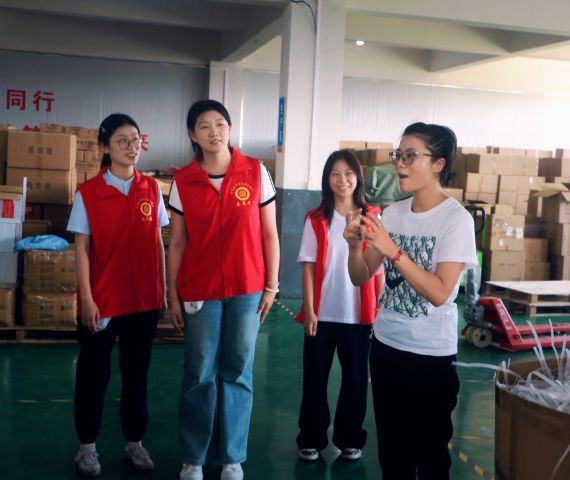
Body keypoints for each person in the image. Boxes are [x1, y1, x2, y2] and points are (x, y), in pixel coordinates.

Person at [344, 123, 477, 479]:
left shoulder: (456, 220)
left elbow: (440, 292)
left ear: (438, 164)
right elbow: (360, 275)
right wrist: (354, 246)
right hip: (386, 347)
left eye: (410, 156)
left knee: (431, 457)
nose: (399, 163)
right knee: (393, 456)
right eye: (398, 155)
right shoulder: (393, 213)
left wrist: (393, 250)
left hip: (430, 356)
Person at [167, 99, 280, 480]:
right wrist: (172, 295)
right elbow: (177, 242)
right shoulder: (183, 181)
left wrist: (271, 286)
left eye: (220, 124)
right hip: (199, 289)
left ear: (230, 129)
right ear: (192, 134)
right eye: (204, 126)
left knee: (238, 370)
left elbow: (269, 233)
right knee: (199, 371)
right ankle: (193, 458)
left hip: (247, 288)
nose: (214, 132)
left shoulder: (255, 171)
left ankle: (232, 457)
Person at [68, 113, 168, 477]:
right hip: (103, 301)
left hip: (142, 301)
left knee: (136, 375)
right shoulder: (89, 193)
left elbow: (158, 242)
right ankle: (87, 448)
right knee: (94, 376)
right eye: (122, 141)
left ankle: (135, 442)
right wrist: (88, 299)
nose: (131, 147)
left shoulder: (151, 189)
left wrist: (162, 291)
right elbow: (81, 249)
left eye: (136, 140)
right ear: (105, 147)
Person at [294, 150, 383, 462]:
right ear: (327, 179)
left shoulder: (372, 217)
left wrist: (378, 309)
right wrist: (309, 310)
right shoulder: (316, 218)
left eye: (348, 173)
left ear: (358, 177)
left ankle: (350, 439)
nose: (342, 180)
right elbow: (308, 266)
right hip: (321, 315)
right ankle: (311, 438)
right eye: (335, 173)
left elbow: (378, 270)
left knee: (356, 382)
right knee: (314, 380)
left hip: (359, 317)